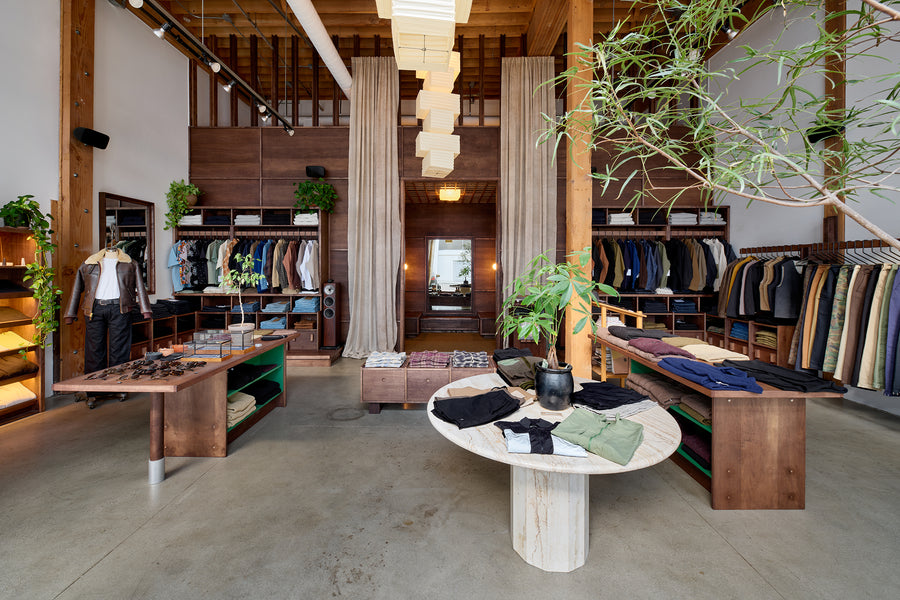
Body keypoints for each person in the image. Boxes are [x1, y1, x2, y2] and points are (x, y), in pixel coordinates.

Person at [63, 247, 152, 374]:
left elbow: (140, 286)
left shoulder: (130, 263)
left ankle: (118, 388)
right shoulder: (90, 263)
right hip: (94, 309)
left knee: (119, 350)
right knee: (94, 350)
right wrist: (70, 314)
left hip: (120, 308)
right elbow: (77, 288)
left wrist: (146, 310)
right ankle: (95, 388)